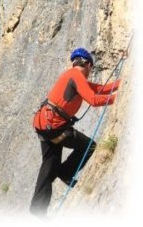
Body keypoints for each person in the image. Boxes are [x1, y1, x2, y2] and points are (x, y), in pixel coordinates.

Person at [29, 47, 121, 216]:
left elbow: (99, 89)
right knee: (89, 146)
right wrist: (120, 97)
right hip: (55, 127)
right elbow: (93, 99)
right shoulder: (76, 76)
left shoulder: (71, 75)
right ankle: (66, 173)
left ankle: (37, 211)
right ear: (87, 64)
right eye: (90, 68)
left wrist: (122, 83)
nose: (89, 72)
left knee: (49, 167)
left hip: (43, 125)